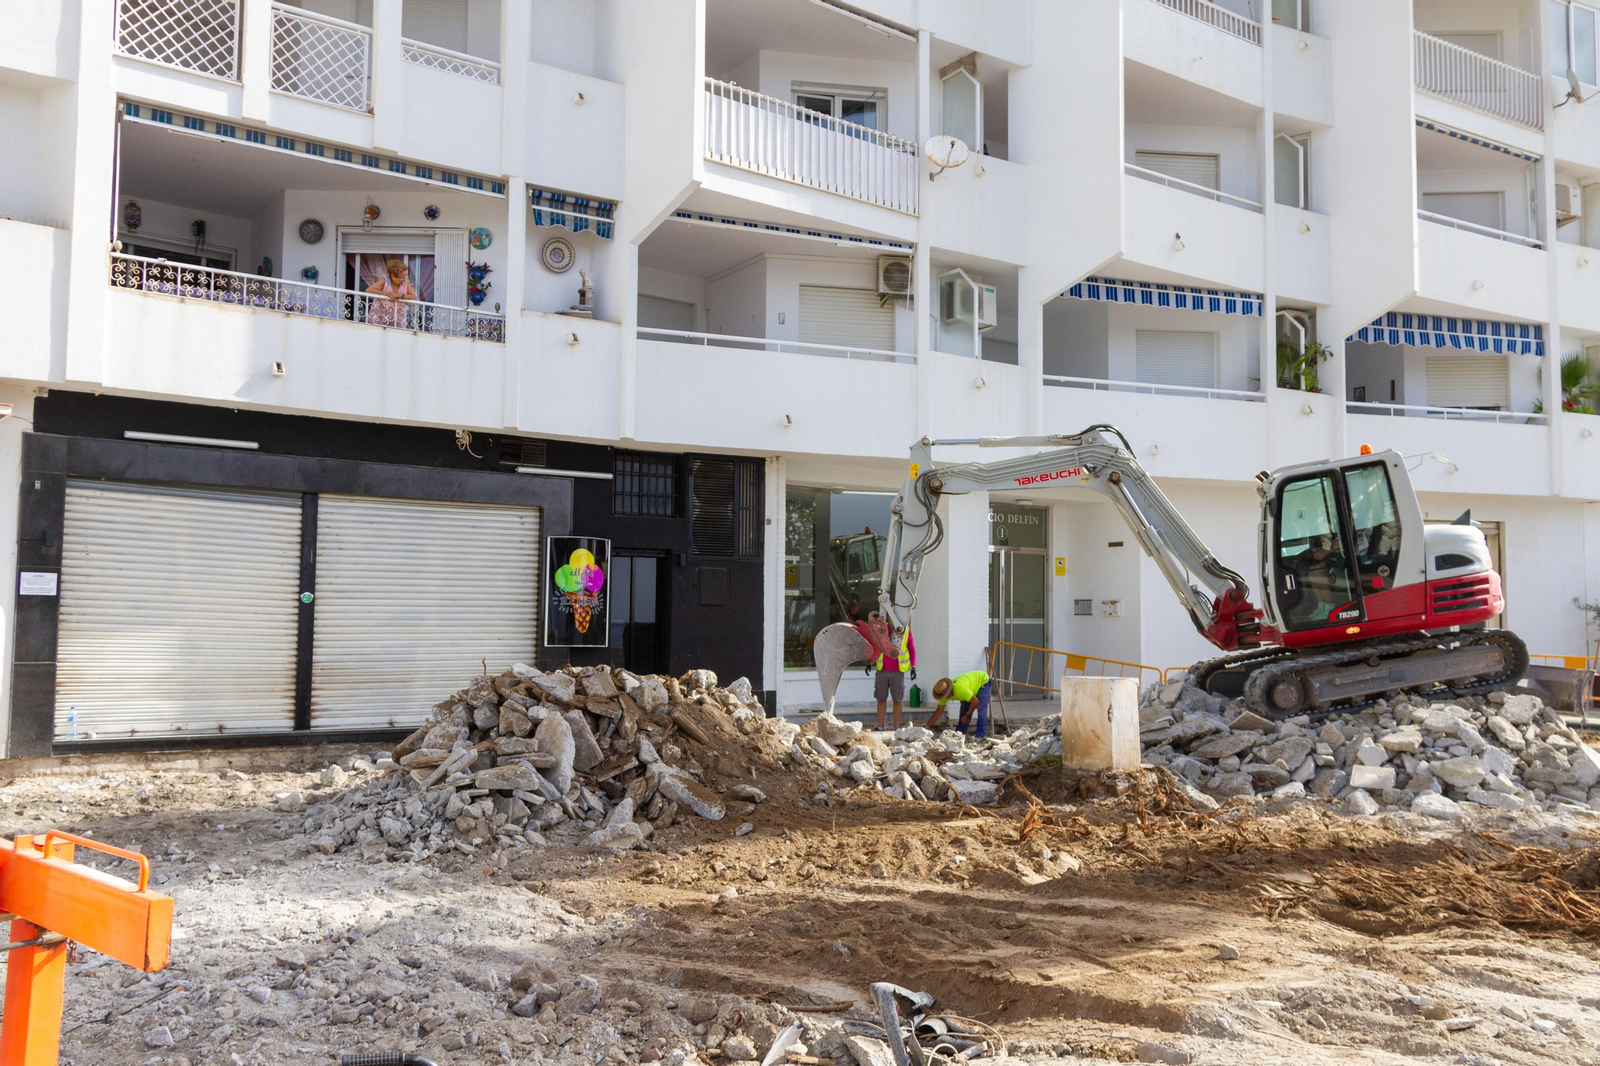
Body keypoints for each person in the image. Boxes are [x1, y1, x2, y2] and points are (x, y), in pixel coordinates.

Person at [872, 621, 915, 731]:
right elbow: (875, 646)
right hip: (882, 670)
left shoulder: (905, 631)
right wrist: (870, 661)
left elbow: (911, 648)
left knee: (897, 699)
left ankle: (896, 727)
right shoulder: (881, 629)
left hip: (898, 671)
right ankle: (880, 726)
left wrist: (913, 666)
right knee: (881, 699)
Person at [930, 670, 992, 739]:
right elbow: (939, 710)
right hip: (969, 688)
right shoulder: (943, 694)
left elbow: (975, 702)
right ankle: (960, 734)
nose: (945, 698)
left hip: (982, 681)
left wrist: (967, 716)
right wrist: (927, 725)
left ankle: (980, 735)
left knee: (981, 709)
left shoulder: (960, 690)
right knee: (964, 711)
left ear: (950, 691)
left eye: (946, 696)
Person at [365, 257, 418, 327]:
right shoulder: (385, 280)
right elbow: (369, 290)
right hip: (378, 317)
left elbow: (413, 297)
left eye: (405, 277)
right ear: (393, 275)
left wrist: (401, 296)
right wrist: (386, 294)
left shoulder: (406, 282)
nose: (404, 279)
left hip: (396, 319)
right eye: (401, 277)